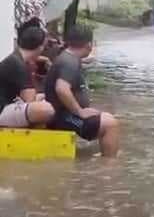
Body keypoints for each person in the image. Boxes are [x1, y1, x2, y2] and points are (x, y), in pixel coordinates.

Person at [45, 25, 120, 157]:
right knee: (110, 124)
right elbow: (61, 89)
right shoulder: (69, 62)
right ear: (89, 44)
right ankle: (109, 167)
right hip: (62, 116)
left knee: (106, 116)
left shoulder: (69, 58)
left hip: (64, 112)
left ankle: (106, 159)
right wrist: (79, 111)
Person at [0, 26, 55, 128]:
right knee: (45, 109)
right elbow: (30, 101)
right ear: (39, 47)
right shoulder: (18, 65)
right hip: (2, 110)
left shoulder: (16, 58)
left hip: (7, 105)